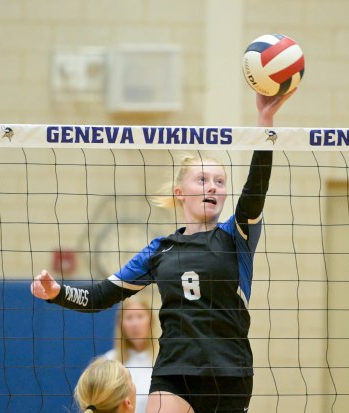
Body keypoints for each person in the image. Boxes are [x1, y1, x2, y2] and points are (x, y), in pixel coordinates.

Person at [31, 91, 295, 413]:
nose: (213, 186)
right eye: (202, 179)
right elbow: (102, 295)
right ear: (180, 192)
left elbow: (256, 190)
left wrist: (264, 123)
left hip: (228, 372)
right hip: (173, 371)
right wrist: (58, 292)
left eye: (220, 181)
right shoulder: (160, 251)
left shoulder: (235, 236)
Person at [103, 294, 157, 413]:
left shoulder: (164, 359)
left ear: (150, 320)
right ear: (121, 324)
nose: (134, 324)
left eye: (140, 316)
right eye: (129, 318)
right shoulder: (109, 362)